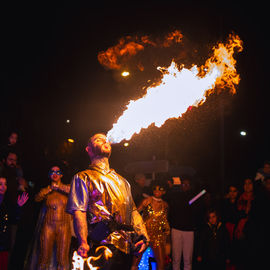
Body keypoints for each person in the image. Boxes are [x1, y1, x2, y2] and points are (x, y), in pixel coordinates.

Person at [66, 133, 149, 270]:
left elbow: (133, 211)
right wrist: (83, 242)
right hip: (100, 245)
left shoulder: (123, 182)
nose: (105, 141)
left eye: (106, 139)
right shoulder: (83, 177)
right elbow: (79, 211)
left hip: (125, 247)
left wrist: (144, 236)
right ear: (89, 149)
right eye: (98, 140)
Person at [34, 166, 72, 270]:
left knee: (63, 258)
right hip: (48, 225)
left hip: (64, 226)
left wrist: (58, 187)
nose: (55, 173)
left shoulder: (67, 188)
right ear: (49, 175)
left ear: (61, 175)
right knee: (43, 257)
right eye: (52, 172)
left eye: (58, 172)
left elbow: (74, 192)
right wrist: (50, 189)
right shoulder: (46, 190)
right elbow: (37, 198)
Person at [131, 183, 170, 270]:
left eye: (159, 190)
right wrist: (138, 227)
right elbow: (135, 213)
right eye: (155, 189)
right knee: (137, 258)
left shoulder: (165, 205)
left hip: (158, 236)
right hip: (146, 234)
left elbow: (165, 222)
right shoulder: (147, 201)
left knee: (161, 261)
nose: (156, 192)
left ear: (164, 192)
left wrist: (166, 237)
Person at [167, 177, 198, 270]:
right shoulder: (175, 195)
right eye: (183, 184)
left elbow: (196, 211)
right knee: (176, 259)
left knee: (187, 259)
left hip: (189, 230)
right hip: (176, 229)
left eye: (187, 185)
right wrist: (174, 187)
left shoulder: (193, 196)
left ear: (190, 186)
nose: (185, 186)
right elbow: (170, 201)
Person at [0, 176, 28, 270]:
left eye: (5, 184)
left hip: (3, 244)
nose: (3, 187)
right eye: (0, 184)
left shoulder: (6, 202)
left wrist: (18, 207)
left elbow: (13, 220)